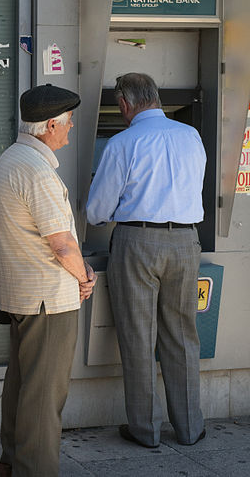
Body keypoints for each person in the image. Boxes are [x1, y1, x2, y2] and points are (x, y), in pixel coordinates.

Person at [86, 73, 206, 448]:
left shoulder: (123, 142)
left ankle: (145, 430)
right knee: (182, 335)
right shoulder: (191, 136)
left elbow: (97, 211)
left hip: (138, 241)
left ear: (124, 104)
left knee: (139, 336)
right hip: (186, 241)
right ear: (155, 97)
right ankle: (189, 428)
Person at [0, 83, 96, 477]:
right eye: (67, 123)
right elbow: (63, 245)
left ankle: (10, 464)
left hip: (23, 297)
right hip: (49, 301)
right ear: (50, 125)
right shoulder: (38, 171)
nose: (70, 129)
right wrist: (86, 277)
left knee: (21, 389)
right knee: (44, 398)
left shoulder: (11, 160)